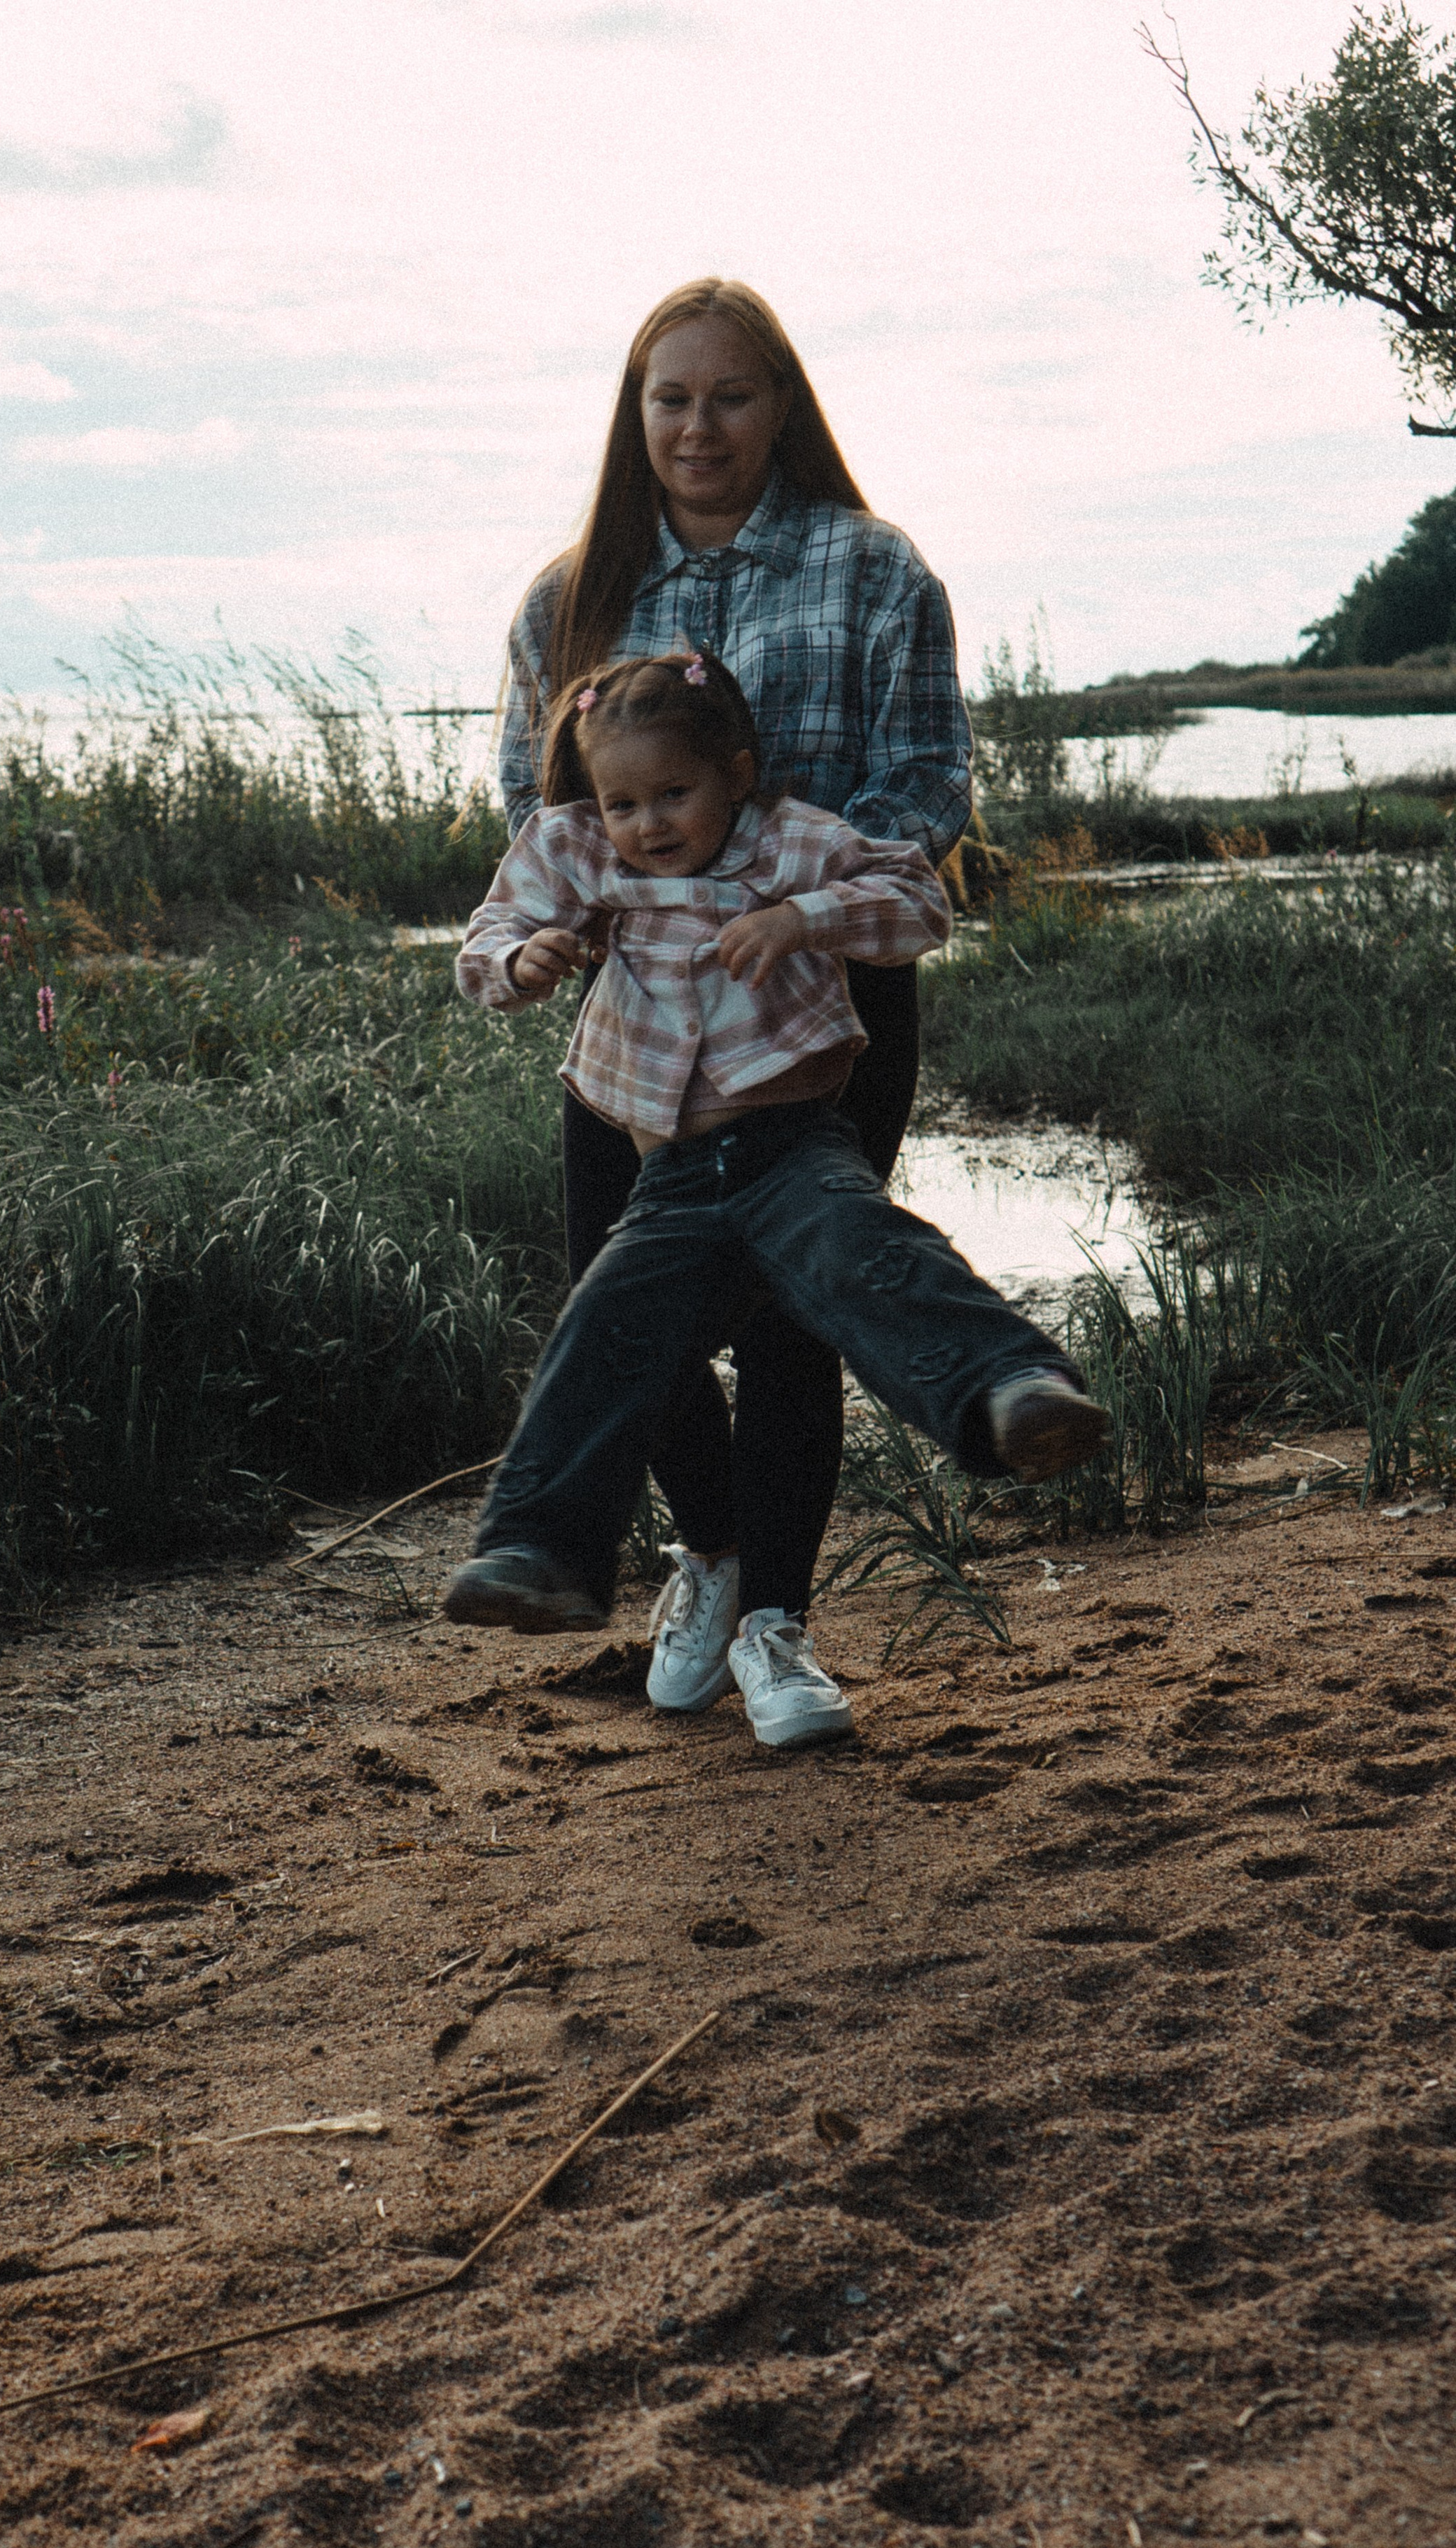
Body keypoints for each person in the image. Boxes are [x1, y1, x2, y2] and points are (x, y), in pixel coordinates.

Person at [445, 650, 1107, 1746]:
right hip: (670, 1179)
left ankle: (1014, 1393)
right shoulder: (578, 850)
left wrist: (805, 920)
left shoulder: (792, 840)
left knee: (874, 1260)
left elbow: (918, 903)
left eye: (676, 795)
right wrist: (527, 960)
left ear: (737, 775)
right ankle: (542, 1548)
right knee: (606, 1336)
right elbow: (487, 942)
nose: (649, 824)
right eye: (625, 802)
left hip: (792, 1147)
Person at [500, 276, 972, 1732]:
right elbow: (534, 806)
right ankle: (703, 1553)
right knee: (618, 1312)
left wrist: (794, 897)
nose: (698, 427)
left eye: (729, 395)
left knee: (789, 1313)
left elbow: (925, 784)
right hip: (634, 1017)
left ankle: (777, 1621)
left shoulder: (872, 571)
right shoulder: (567, 596)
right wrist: (558, 926)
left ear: (781, 408)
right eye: (669, 397)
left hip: (819, 995)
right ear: (632, 414)